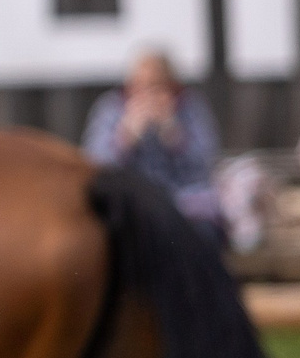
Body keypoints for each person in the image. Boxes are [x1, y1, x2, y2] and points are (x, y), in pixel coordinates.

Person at [84, 47, 224, 238]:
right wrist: (126, 136)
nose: (148, 95)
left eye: (156, 86)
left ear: (172, 86)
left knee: (205, 234)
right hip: (131, 204)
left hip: (184, 206)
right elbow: (93, 166)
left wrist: (174, 135)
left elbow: (206, 163)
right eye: (140, 86)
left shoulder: (191, 107)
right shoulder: (110, 109)